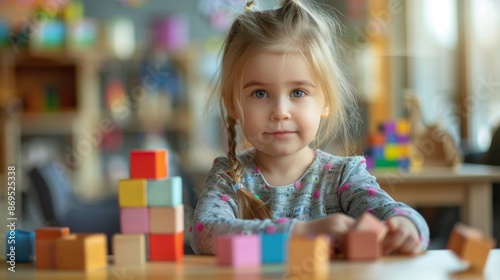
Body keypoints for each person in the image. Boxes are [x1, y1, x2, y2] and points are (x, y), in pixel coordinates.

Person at [190, 0, 429, 256]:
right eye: (260, 93)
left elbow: (393, 213)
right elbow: (205, 235)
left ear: (325, 101)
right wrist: (302, 233)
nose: (280, 111)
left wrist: (407, 225)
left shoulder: (343, 176)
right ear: (233, 104)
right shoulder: (228, 177)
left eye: (298, 92)